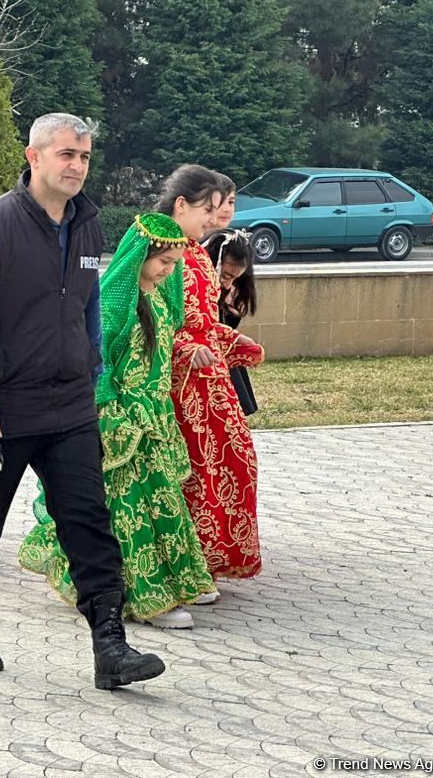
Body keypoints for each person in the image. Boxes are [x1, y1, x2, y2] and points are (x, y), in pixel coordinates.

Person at [0, 113, 165, 690]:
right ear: (33, 157)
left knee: (89, 522)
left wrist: (94, 371)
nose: (77, 166)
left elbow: (86, 308)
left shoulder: (87, 227)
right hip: (1, 410)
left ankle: (112, 648)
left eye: (84, 156)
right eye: (65, 155)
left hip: (71, 407)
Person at [19, 214, 217, 630]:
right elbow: (96, 357)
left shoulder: (161, 299)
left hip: (154, 415)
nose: (169, 271)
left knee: (163, 499)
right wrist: (112, 410)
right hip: (122, 418)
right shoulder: (115, 300)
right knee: (128, 507)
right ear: (140, 255)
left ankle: (177, 580)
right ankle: (143, 597)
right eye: (163, 262)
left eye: (175, 264)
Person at [157, 165, 265, 587]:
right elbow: (144, 316)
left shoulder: (198, 252)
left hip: (210, 379)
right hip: (175, 384)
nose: (214, 219)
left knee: (235, 461)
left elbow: (201, 319)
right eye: (209, 208)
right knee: (194, 470)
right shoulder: (159, 248)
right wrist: (184, 348)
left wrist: (233, 342)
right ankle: (185, 566)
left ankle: (211, 557)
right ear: (181, 205)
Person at [203, 229, 259, 416]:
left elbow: (228, 328)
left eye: (235, 278)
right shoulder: (197, 277)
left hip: (223, 354)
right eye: (226, 275)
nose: (228, 283)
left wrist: (231, 312)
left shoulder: (233, 290)